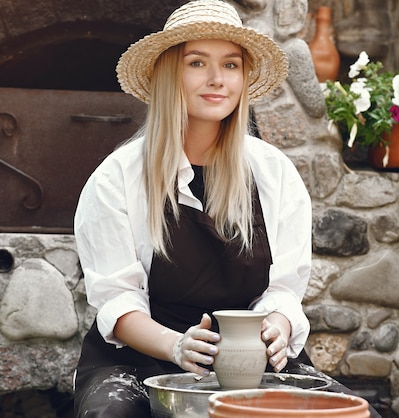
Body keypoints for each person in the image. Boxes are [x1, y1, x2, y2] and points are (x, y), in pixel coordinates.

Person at [73, 1, 381, 417]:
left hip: (250, 357)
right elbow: (117, 302)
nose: (217, 79)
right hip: (138, 356)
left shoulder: (274, 174)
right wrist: (177, 345)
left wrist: (279, 325)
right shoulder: (117, 178)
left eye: (231, 65)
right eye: (197, 62)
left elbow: (283, 290)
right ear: (168, 74)